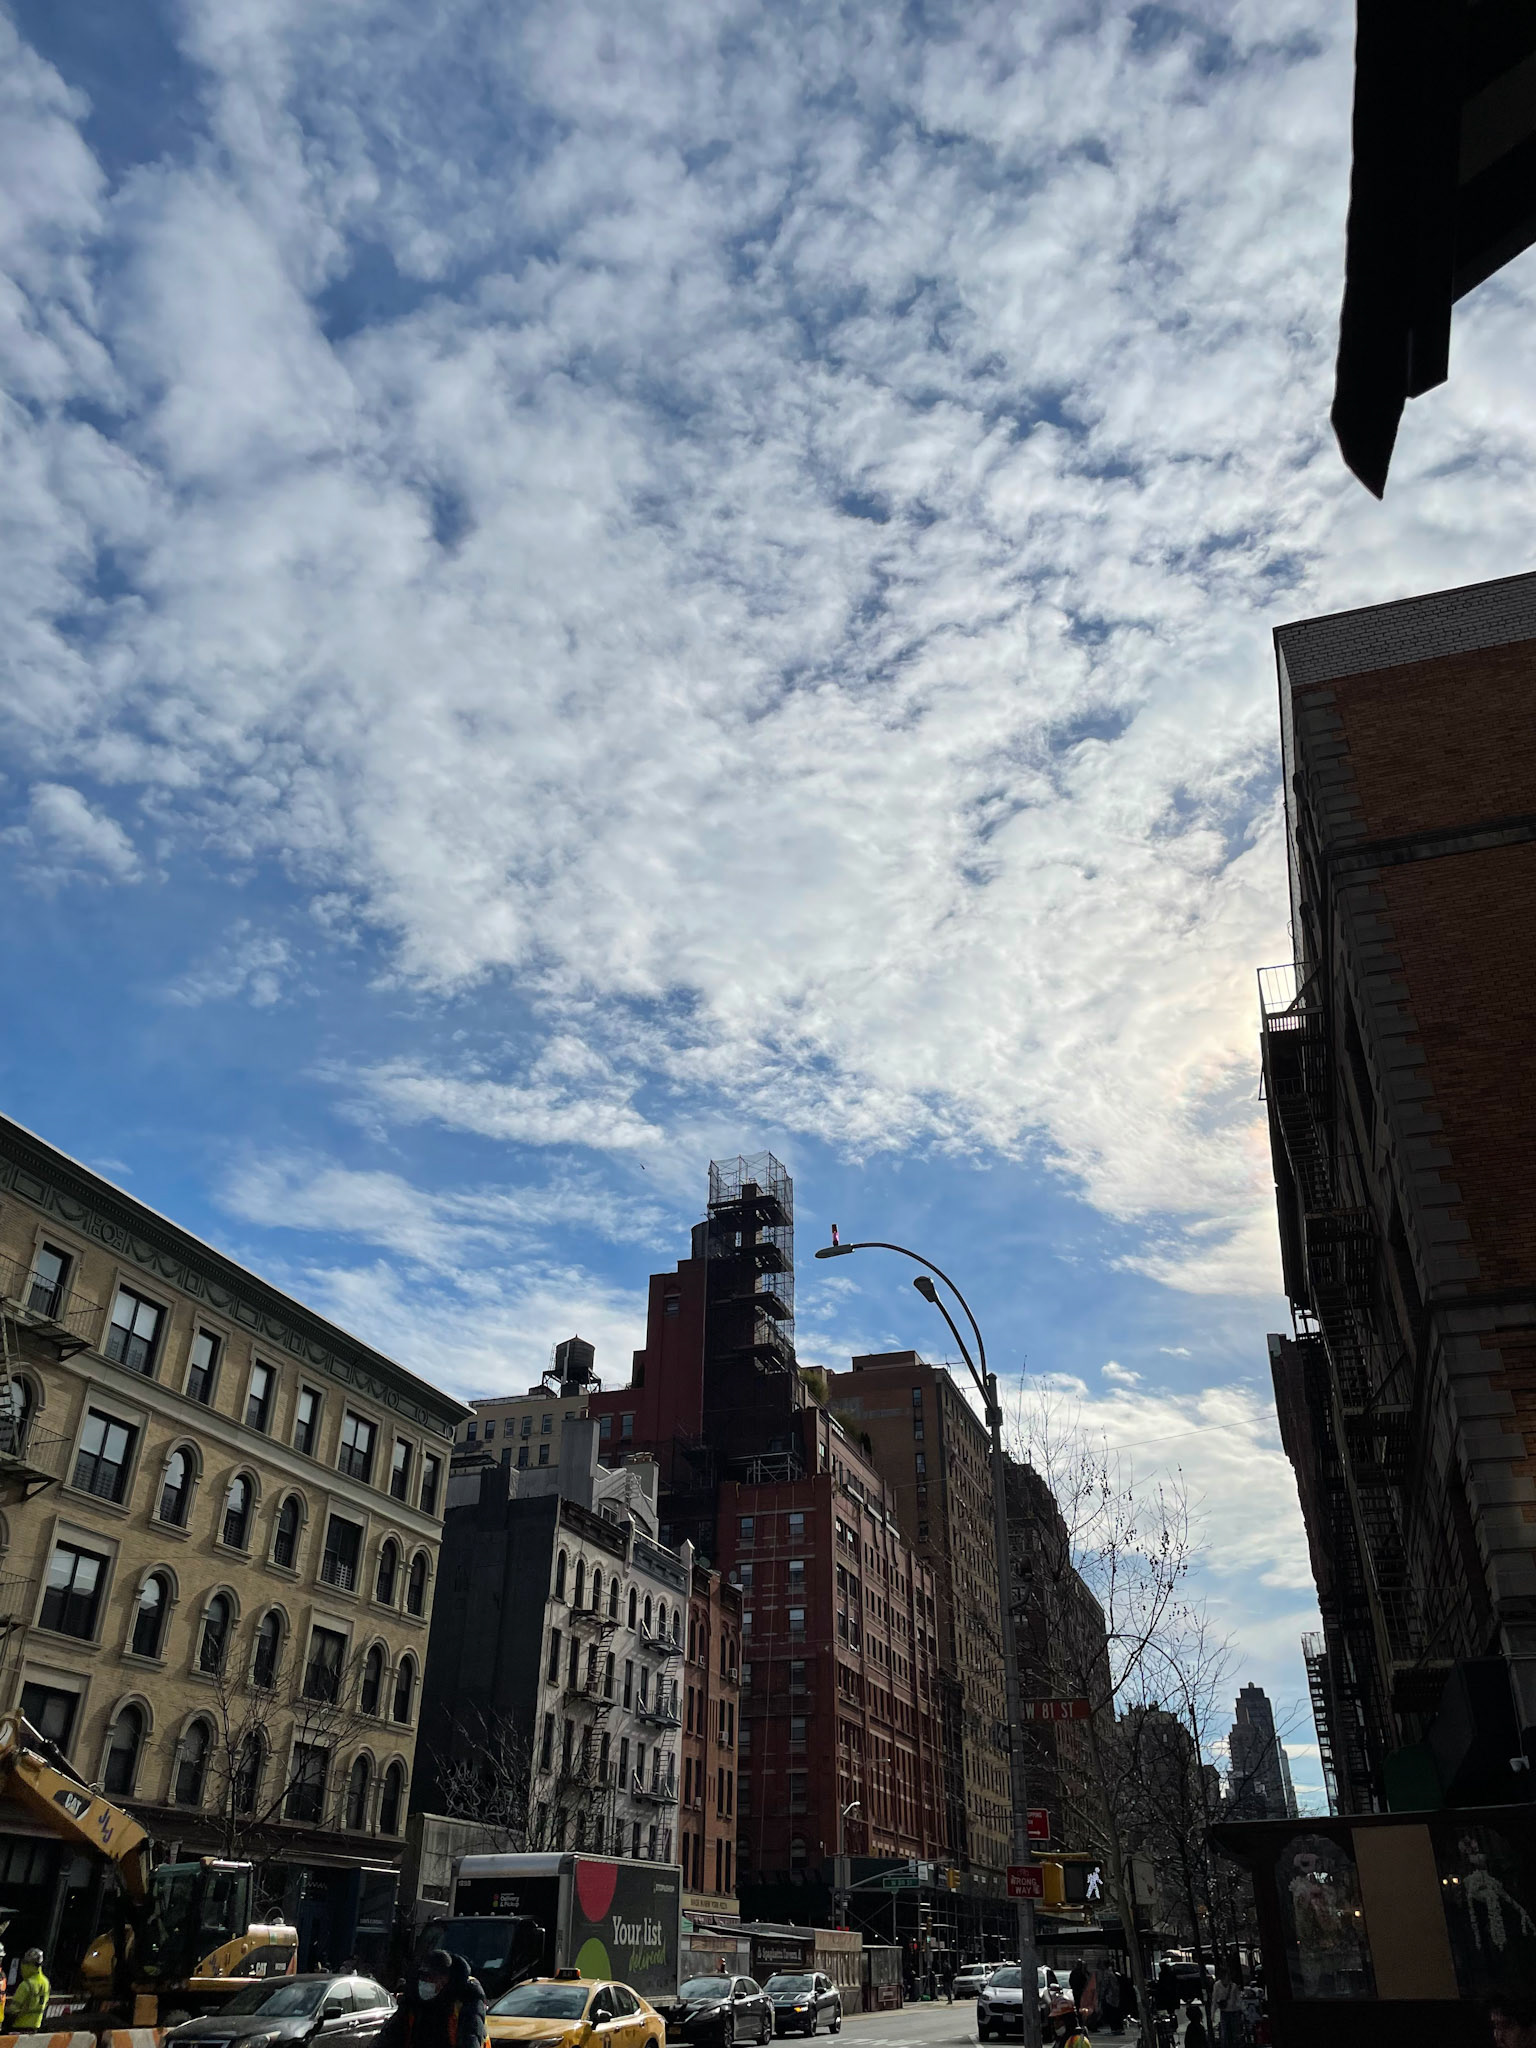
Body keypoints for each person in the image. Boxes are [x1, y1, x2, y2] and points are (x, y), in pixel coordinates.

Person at [378, 1949, 485, 2048]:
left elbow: (471, 2036)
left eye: (431, 1978)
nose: (425, 1982)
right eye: (423, 1977)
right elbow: (391, 2034)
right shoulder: (413, 2000)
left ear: (445, 1979)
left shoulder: (467, 1998)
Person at [10, 1950, 50, 2032]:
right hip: (35, 2027)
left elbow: (13, 2010)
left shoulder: (26, 1985)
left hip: (19, 2027)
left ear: (29, 1965)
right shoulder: (46, 1982)